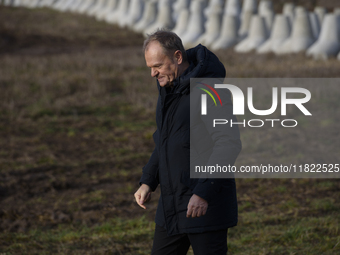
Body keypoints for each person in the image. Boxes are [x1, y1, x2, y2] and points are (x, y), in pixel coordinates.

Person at [134, 30, 242, 255]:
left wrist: (203, 192)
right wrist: (148, 181)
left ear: (178, 57)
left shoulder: (211, 91)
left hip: (204, 207)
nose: (153, 74)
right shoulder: (169, 91)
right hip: (171, 208)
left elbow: (228, 143)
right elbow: (165, 141)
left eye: (158, 66)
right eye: (150, 68)